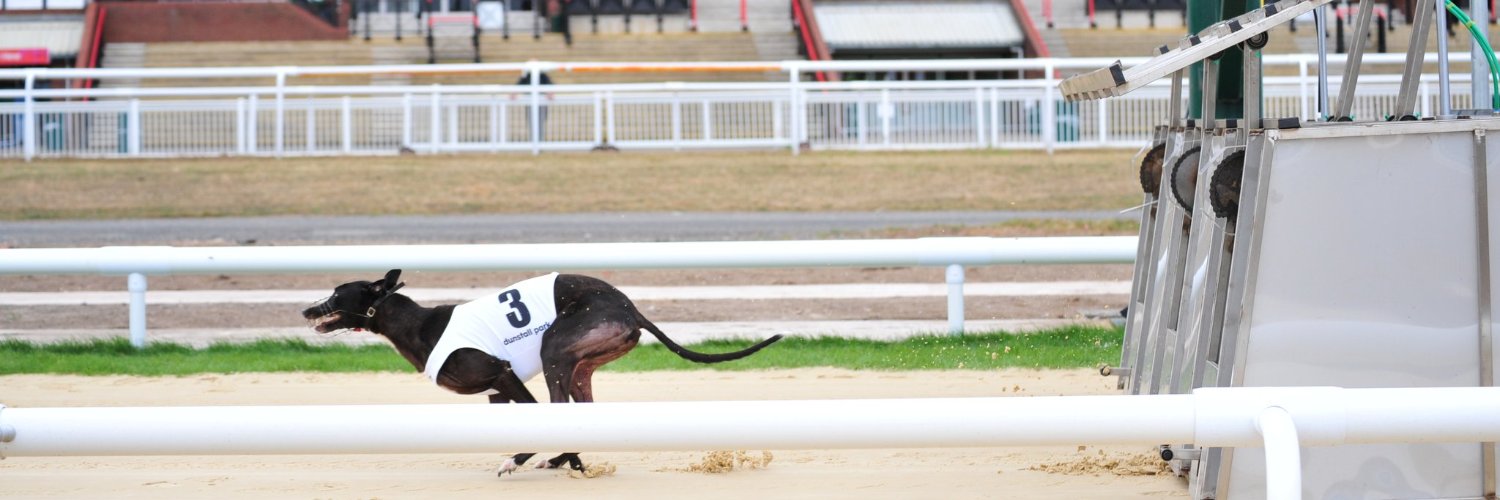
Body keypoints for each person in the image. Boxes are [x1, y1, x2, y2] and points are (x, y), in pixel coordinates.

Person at [515, 70, 554, 141]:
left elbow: (550, 84)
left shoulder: (542, 75)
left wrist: (550, 92)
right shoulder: (526, 75)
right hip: (531, 103)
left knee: (540, 122)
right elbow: (519, 85)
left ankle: (540, 140)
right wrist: (514, 93)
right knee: (531, 121)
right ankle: (533, 140)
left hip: (541, 103)